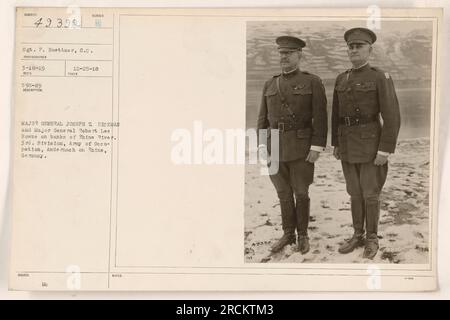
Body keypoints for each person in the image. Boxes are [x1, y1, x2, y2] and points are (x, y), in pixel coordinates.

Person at [331, 27, 401, 259]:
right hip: (348, 146)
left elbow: (392, 116)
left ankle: (372, 237)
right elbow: (336, 115)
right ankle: (357, 234)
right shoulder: (342, 78)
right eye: (351, 46)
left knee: (370, 194)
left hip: (372, 146)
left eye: (359, 46)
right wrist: (336, 144)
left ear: (370, 49)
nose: (354, 50)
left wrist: (385, 149)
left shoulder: (380, 77)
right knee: (354, 193)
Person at [257, 35, 328, 254]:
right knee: (283, 194)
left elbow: (321, 117)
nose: (284, 57)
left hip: (301, 147)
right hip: (274, 147)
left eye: (289, 53)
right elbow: (262, 119)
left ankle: (303, 235)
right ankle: (288, 233)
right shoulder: (270, 83)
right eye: (281, 53)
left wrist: (316, 147)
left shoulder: (312, 81)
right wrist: (261, 147)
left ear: (300, 55)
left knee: (301, 193)